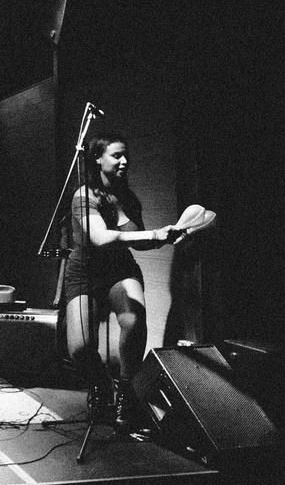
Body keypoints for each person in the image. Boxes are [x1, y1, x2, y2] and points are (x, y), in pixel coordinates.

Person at [64, 133, 180, 433]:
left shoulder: (128, 198)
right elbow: (100, 238)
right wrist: (151, 234)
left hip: (119, 269)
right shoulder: (82, 196)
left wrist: (165, 236)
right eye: (117, 155)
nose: (125, 161)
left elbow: (138, 242)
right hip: (85, 271)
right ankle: (101, 382)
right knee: (80, 349)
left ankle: (127, 394)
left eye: (126, 155)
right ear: (98, 159)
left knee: (133, 319)